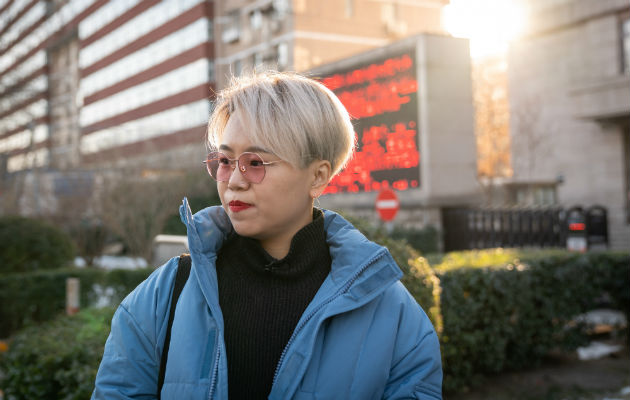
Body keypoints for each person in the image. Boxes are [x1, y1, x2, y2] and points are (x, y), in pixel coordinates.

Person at [92, 71, 442, 399]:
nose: (234, 180)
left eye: (256, 162)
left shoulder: (391, 313)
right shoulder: (165, 294)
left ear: (318, 176)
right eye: (226, 161)